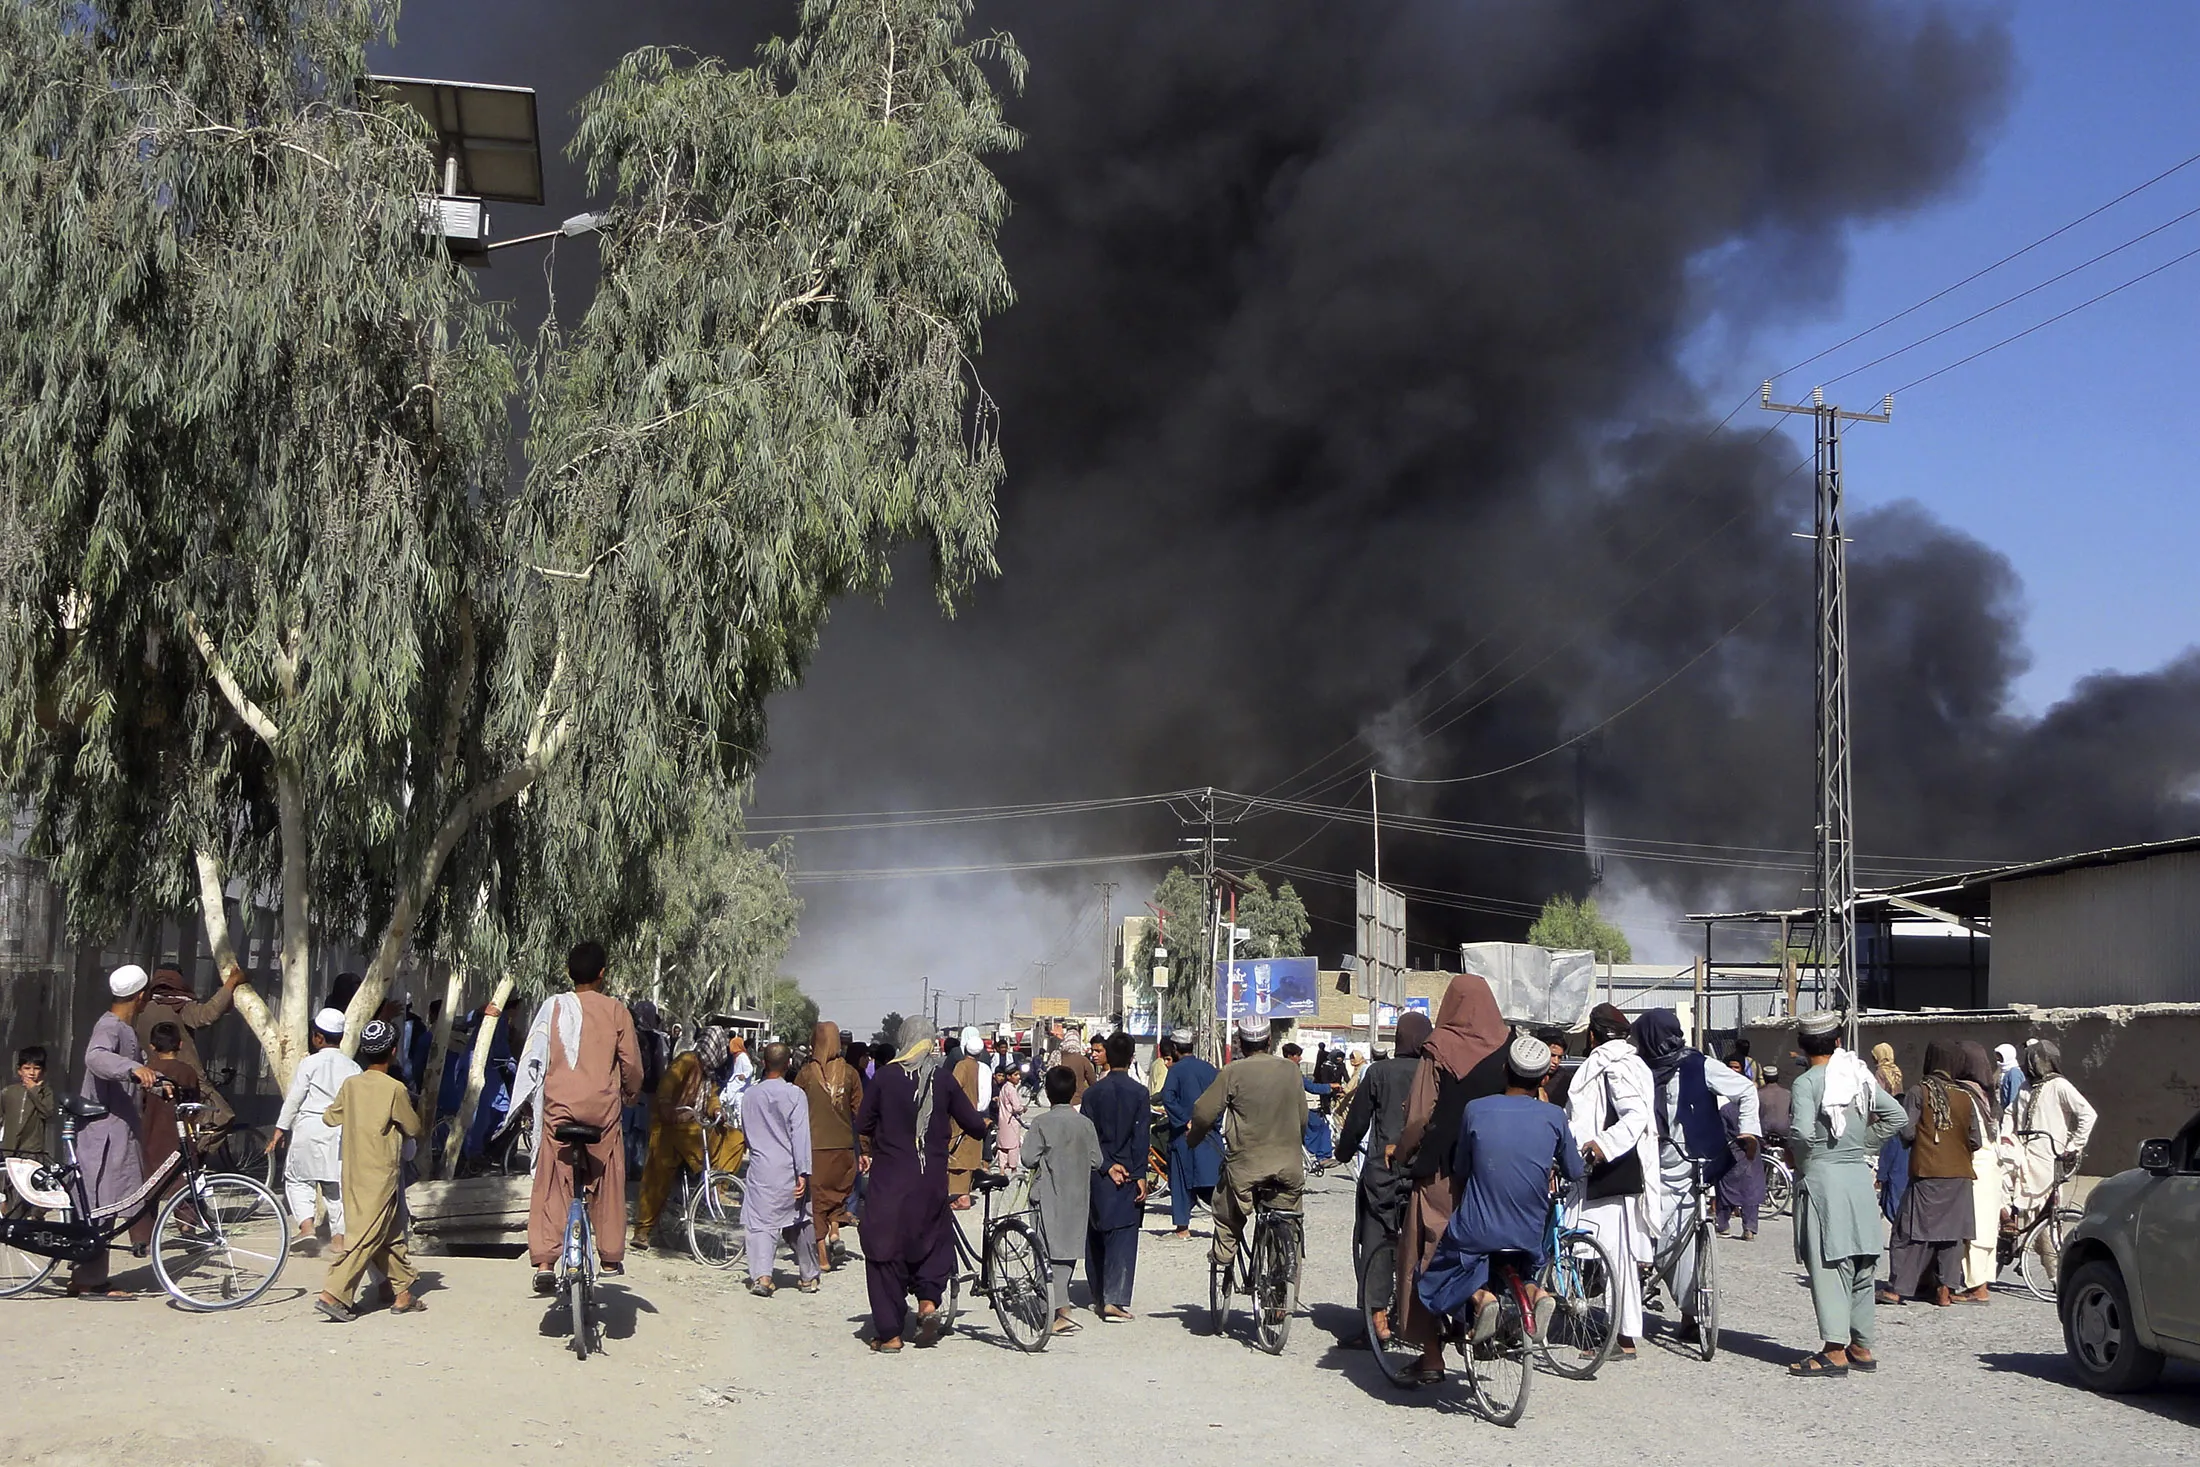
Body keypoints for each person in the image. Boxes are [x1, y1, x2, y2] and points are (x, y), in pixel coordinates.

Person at [1415, 1033, 1580, 1343]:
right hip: (1528, 1229)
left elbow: (1461, 1167)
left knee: (1435, 1272)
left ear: (1505, 1069)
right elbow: (1574, 1169)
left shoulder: (1476, 1110)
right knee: (1526, 1266)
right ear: (1543, 1077)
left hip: (1480, 1228)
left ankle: (1480, 1298)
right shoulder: (1554, 1116)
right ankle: (1537, 1293)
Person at [1391, 973, 1510, 1383]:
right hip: (1494, 1168)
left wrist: (1402, 1154)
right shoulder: (1510, 1045)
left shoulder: (1439, 1047)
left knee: (1425, 1250)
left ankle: (1431, 1355)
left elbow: (1420, 1115)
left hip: (1442, 1168)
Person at [509, 941, 643, 1294]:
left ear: (570, 974)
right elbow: (630, 1066)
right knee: (610, 1174)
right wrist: (629, 1095)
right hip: (601, 1113)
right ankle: (611, 1255)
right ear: (603, 974)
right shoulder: (617, 1011)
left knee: (552, 1179)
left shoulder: (554, 1008)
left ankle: (544, 1260)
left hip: (560, 1111)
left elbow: (535, 1055)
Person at [853, 1016, 988, 1351]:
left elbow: (863, 1123)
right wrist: (983, 1125)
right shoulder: (942, 1080)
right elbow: (974, 1124)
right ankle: (927, 1303)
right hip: (930, 1183)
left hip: (890, 1182)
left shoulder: (884, 1078)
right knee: (930, 1241)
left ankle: (890, 1334)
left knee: (885, 1250)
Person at [1787, 1011, 1907, 1376]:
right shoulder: (1858, 1076)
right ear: (1838, 1042)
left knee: (1828, 1264)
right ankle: (1861, 1345)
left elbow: (1803, 1134)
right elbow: (1897, 1117)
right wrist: (1860, 1146)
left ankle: (1834, 1350)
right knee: (1861, 1264)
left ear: (1803, 1047)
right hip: (1857, 1178)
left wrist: (1808, 1161)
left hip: (1824, 1182)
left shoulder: (1807, 1083)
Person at [1635, 1008, 1757, 1343]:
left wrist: (1749, 1133)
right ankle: (1661, 1302)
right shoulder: (1638, 1069)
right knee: (1659, 1239)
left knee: (1681, 1240)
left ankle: (1692, 1313)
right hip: (1650, 1166)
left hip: (1691, 1165)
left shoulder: (1697, 1065)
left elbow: (1745, 1091)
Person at [313, 1020, 426, 1321]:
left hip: (352, 1171)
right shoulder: (395, 1089)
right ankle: (333, 1293)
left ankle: (401, 1293)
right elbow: (413, 1127)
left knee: (388, 1233)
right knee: (365, 1235)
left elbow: (329, 1118)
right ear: (393, 1051)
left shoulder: (351, 1085)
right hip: (381, 1173)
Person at [1188, 1016, 1308, 1296]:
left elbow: (1204, 1113)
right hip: (1287, 1166)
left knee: (1225, 1208)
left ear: (1241, 1044)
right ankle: (1281, 1293)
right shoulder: (1291, 1071)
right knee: (1287, 1218)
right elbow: (1302, 1118)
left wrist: (1193, 1138)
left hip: (1246, 1167)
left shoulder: (1233, 1072)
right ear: (1269, 1041)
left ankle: (1223, 1255)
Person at [1564, 1003, 1658, 1360]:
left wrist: (1603, 1145)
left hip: (1609, 1172)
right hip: (1614, 1171)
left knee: (1615, 1258)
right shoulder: (1631, 1062)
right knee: (1614, 1257)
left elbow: (1635, 1115)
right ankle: (1621, 1332)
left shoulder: (1611, 1065)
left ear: (1593, 1034)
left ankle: (1624, 1338)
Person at [71, 965, 163, 1298]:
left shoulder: (124, 1029)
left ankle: (88, 1276)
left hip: (118, 1131)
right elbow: (95, 1058)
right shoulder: (109, 1027)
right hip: (105, 1134)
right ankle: (90, 1281)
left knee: (105, 1206)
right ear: (141, 997)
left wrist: (155, 1082)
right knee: (101, 1206)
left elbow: (131, 1077)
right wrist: (132, 1067)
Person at [1880, 1040, 1982, 1309]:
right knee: (1951, 1235)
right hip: (1960, 1175)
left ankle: (1898, 1289)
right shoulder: (1964, 1096)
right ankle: (1945, 1290)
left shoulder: (1918, 1092)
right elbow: (1976, 1141)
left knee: (1908, 1231)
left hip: (1927, 1173)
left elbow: (1906, 1131)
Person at [1335, 1010, 1430, 1299]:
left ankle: (1375, 1317)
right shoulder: (1435, 1072)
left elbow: (1357, 1122)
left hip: (1384, 1170)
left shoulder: (1379, 1072)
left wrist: (1343, 1152)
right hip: (1424, 1170)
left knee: (1375, 1233)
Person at [270, 1008, 357, 1256]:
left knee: (298, 1179)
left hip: (309, 1127)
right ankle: (339, 1240)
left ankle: (307, 1227)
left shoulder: (309, 1063)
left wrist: (280, 1129)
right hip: (338, 1132)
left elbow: (294, 1099)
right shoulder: (352, 1067)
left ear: (318, 1037)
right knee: (335, 1188)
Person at [631, 1026, 727, 1251]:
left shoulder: (708, 1073)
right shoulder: (686, 1061)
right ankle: (643, 1231)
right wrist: (668, 1108)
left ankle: (717, 1184)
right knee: (657, 1177)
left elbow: (712, 1098)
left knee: (733, 1137)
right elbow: (666, 1087)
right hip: (668, 1128)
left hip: (691, 1127)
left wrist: (717, 1111)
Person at [1022, 1066, 1101, 1336]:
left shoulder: (1042, 1123)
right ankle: (1060, 1306)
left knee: (1044, 1252)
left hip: (1048, 1195)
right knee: (1067, 1252)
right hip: (1078, 1196)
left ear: (1047, 1092)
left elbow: (1027, 1158)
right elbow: (1096, 1160)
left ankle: (1056, 1312)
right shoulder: (1085, 1123)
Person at [1082, 1029, 1150, 1322]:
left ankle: (1098, 1294)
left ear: (1107, 1055)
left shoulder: (1092, 1093)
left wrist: (1106, 1164)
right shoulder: (1140, 1093)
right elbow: (1140, 1136)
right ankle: (1115, 1298)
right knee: (1123, 1234)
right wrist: (1139, 1174)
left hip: (1099, 1170)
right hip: (1128, 1173)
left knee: (1096, 1230)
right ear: (1132, 1057)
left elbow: (1088, 1135)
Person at [741, 1043, 819, 1296]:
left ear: (764, 1063)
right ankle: (808, 1277)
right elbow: (801, 1137)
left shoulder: (750, 1096)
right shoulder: (795, 1095)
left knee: (760, 1223)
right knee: (801, 1220)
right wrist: (803, 1172)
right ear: (788, 1065)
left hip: (761, 1167)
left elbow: (747, 1133)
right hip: (788, 1168)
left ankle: (763, 1277)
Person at [136, 961, 249, 1133]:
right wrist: (231, 983)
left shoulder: (143, 1009)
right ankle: (192, 1152)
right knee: (222, 1116)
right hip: (185, 1079)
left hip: (150, 1079)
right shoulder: (179, 1007)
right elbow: (207, 1015)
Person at [796, 1021, 863, 1271]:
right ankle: (835, 1233)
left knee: (818, 1203)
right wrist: (866, 1149)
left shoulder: (805, 1074)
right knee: (838, 1196)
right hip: (844, 1148)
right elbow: (861, 1113)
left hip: (815, 1149)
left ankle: (822, 1256)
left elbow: (795, 1109)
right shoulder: (850, 1074)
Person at [2012, 1039, 2096, 1219]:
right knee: (2024, 1214)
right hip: (2023, 1158)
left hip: (2049, 1158)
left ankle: (2049, 1247)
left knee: (2049, 1213)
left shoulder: (2059, 1086)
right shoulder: (2025, 1087)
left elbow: (2088, 1114)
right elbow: (2011, 1114)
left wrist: (2073, 1146)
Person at [1952, 1040, 2008, 1304]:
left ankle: (1976, 1286)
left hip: (1976, 1163)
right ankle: (1981, 1282)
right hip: (1992, 1165)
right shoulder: (1986, 1092)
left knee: (1974, 1227)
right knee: (1986, 1226)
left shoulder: (1965, 1093)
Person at [1156, 1030, 1221, 1240]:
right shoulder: (1209, 1069)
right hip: (1209, 1135)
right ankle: (1224, 1227)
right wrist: (1209, 1122)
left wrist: (1185, 1120)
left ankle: (1182, 1229)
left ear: (1174, 1049)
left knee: (1181, 1183)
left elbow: (1168, 1097)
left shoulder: (1175, 1071)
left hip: (1183, 1136)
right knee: (1214, 1184)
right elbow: (1222, 1098)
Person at [1714, 1052, 1767, 1240]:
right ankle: (1744, 1227)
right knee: (1746, 1188)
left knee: (1730, 1187)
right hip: (1741, 1149)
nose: (1732, 1071)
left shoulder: (1739, 1100)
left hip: (1739, 1148)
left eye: (1736, 1067)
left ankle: (1729, 1225)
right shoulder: (1721, 1091)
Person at [626, 1000, 673, 1179]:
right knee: (640, 1132)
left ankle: (625, 1169)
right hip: (647, 1091)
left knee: (627, 1131)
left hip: (627, 1091)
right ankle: (637, 1169)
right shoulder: (656, 1038)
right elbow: (661, 1066)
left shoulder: (629, 1035)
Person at [948, 1025, 991, 1208]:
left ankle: (961, 1198)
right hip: (979, 1117)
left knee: (958, 1158)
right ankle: (964, 1194)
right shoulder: (984, 1067)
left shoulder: (961, 1066)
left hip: (962, 1120)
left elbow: (953, 1090)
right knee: (970, 1157)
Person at [1, 1046, 54, 1162]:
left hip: (31, 1151)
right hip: (8, 1150)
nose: (31, 1072)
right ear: (19, 1070)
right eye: (27, 1068)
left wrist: (34, 1090)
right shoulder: (9, 1091)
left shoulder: (45, 1092)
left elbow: (47, 1113)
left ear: (43, 1071)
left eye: (36, 1068)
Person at [994, 1051, 1029, 1173]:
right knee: (1013, 1146)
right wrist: (1023, 1108)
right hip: (1011, 1121)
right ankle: (1013, 1167)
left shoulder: (1004, 1088)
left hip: (1002, 1120)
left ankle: (1002, 1168)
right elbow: (1017, 1107)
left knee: (1002, 1146)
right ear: (1009, 1077)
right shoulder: (1011, 1090)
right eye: (1015, 1075)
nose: (1018, 1077)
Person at [1993, 1042, 2026, 1116]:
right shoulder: (2004, 1072)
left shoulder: (2014, 1073)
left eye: (2000, 1056)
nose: (1998, 1059)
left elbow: (2013, 1099)